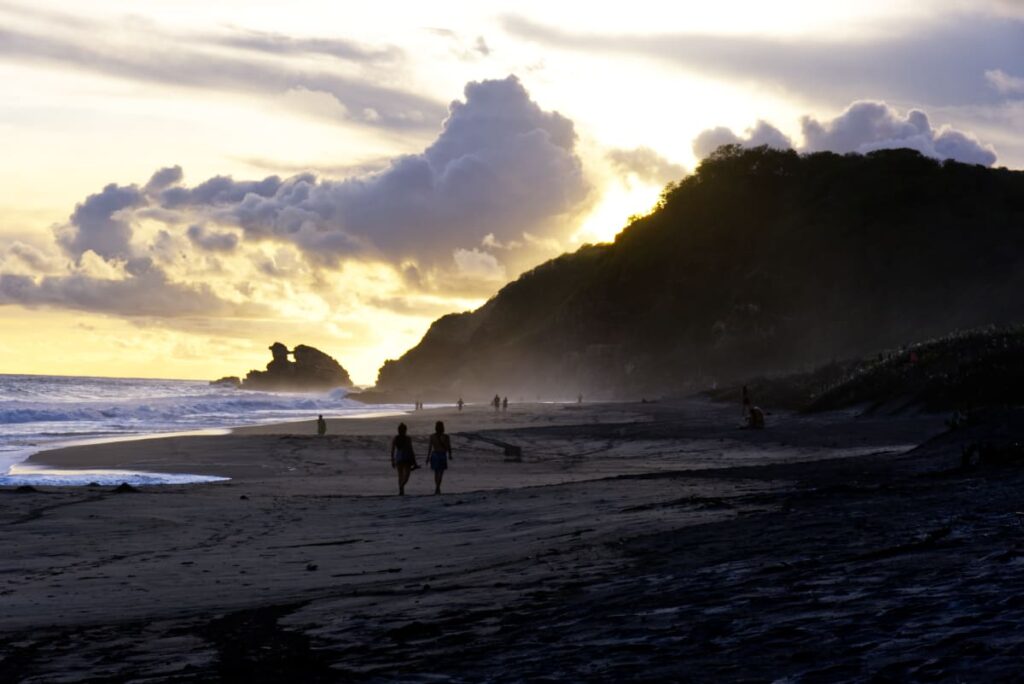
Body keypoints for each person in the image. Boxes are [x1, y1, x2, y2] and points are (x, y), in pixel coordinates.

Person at [390, 423, 417, 495]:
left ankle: (401, 490)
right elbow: (411, 450)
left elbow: (392, 450)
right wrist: (414, 461)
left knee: (400, 475)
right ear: (405, 430)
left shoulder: (395, 438)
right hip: (406, 457)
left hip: (398, 457)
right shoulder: (408, 438)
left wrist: (392, 460)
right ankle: (402, 486)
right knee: (407, 475)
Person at [428, 420, 453, 495]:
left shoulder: (432, 436)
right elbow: (448, 446)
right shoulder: (446, 436)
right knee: (441, 472)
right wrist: (450, 454)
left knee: (436, 472)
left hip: (435, 454)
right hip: (442, 455)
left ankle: (437, 487)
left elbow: (430, 447)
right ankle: (437, 487)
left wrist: (428, 457)